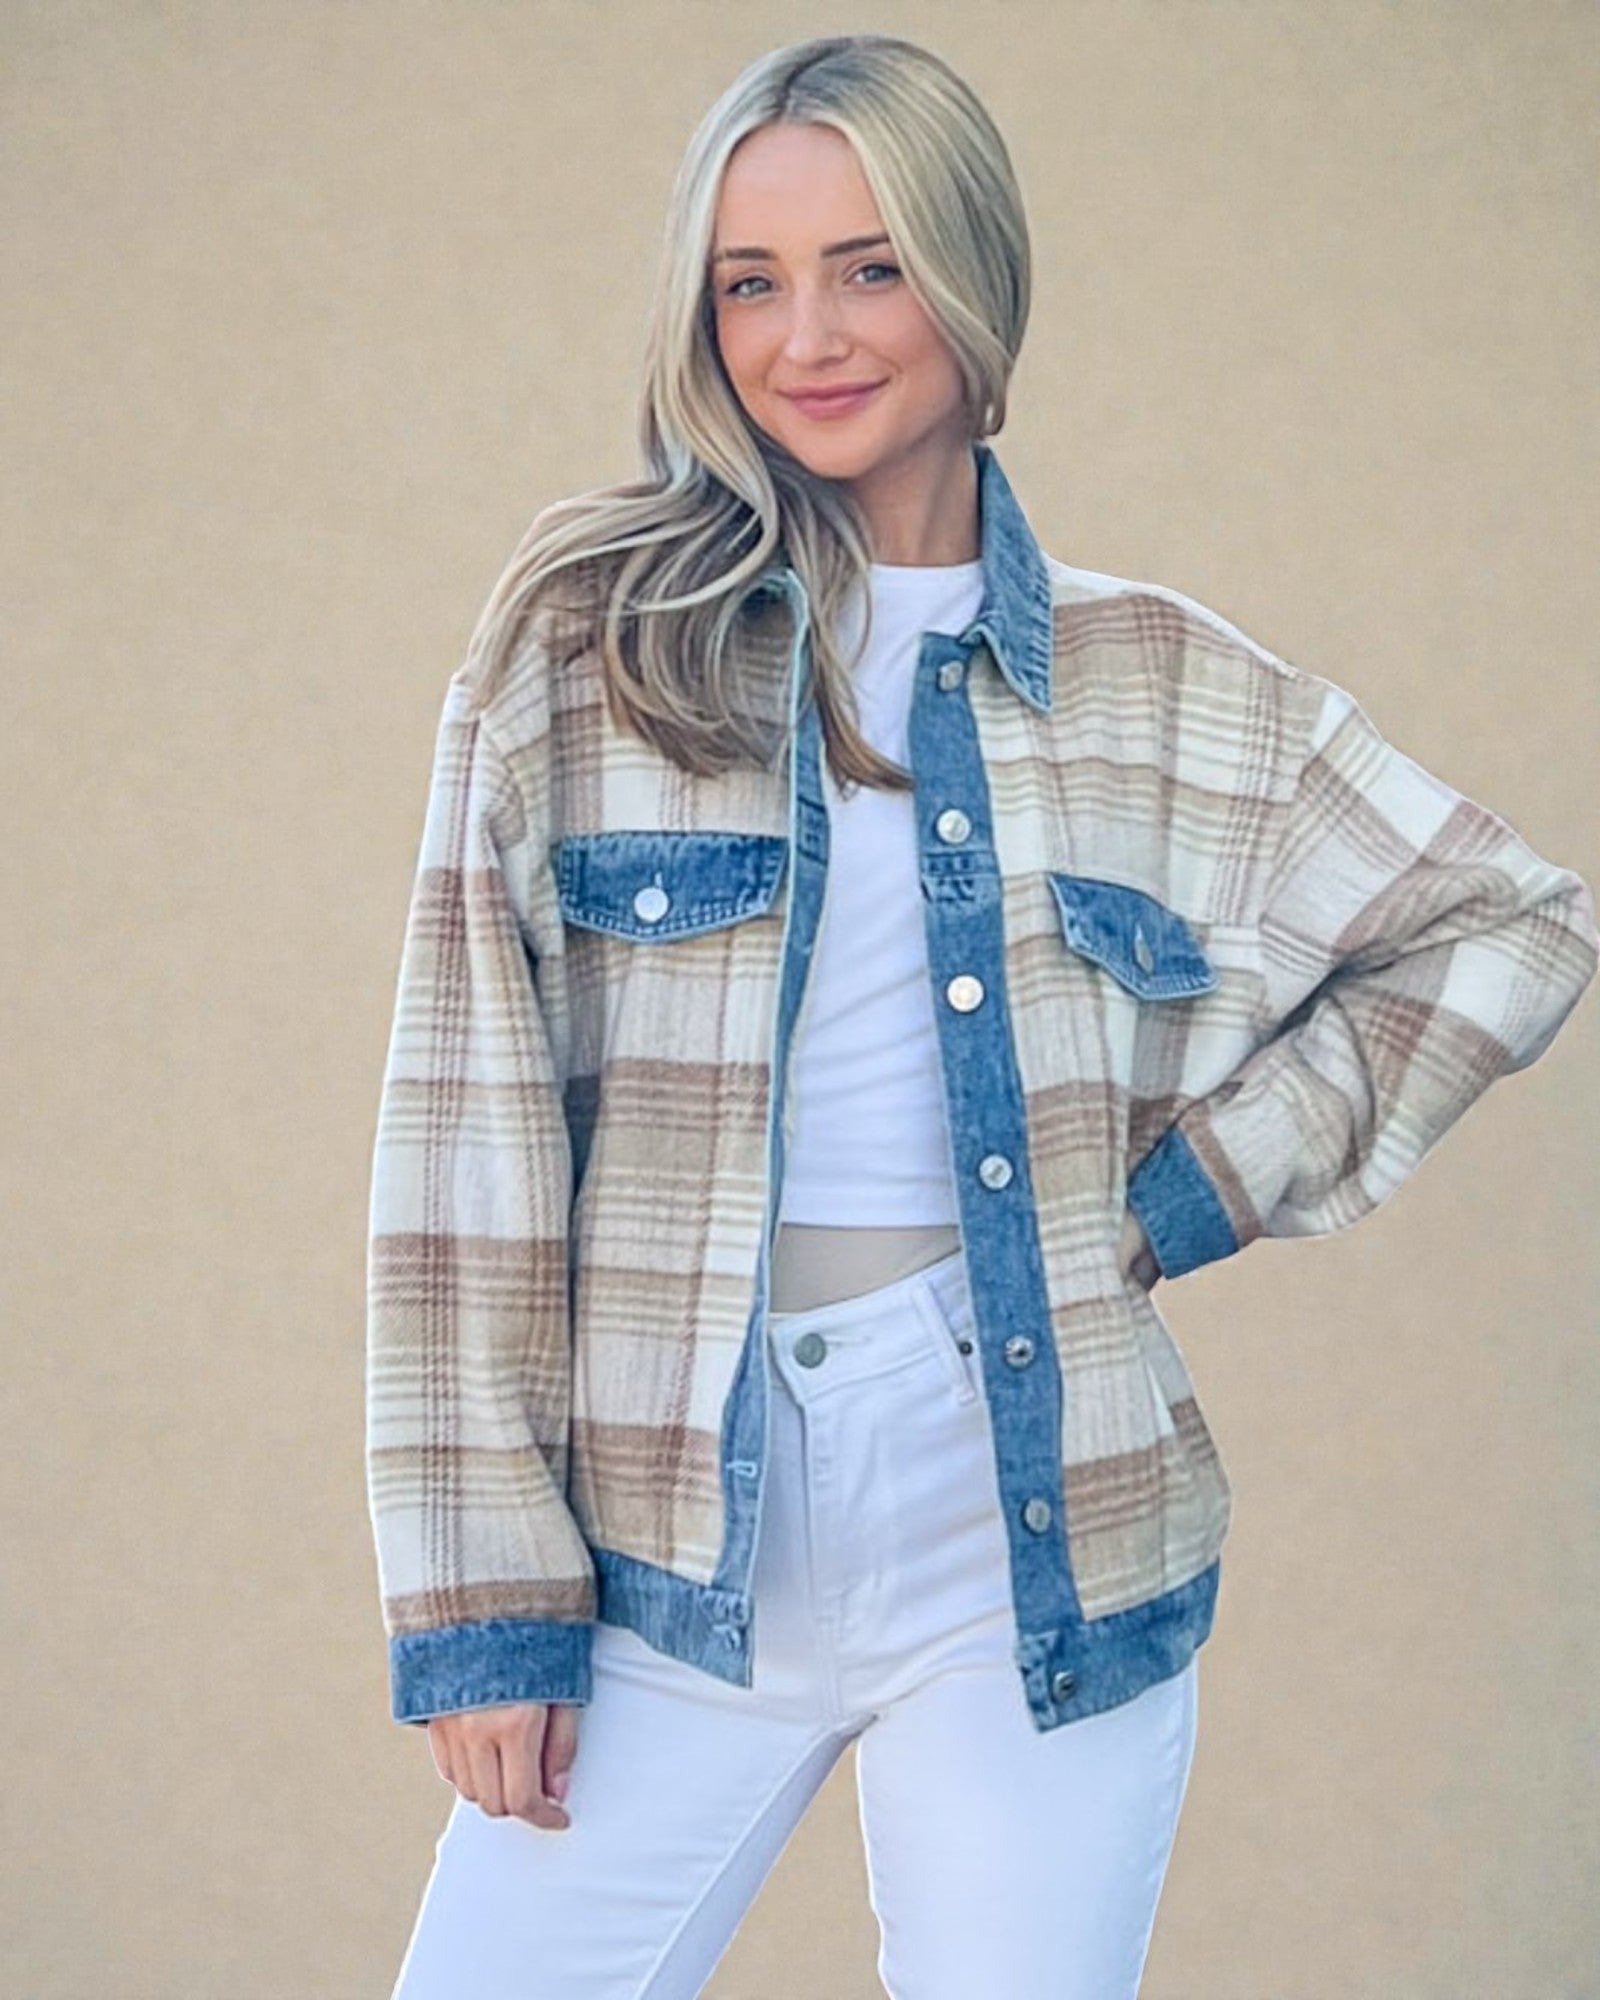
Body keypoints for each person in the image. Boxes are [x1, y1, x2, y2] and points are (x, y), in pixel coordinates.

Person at [363, 33, 1598, 2000]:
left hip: (1033, 1516)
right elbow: (461, 1125)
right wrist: (487, 1595)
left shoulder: (1163, 686)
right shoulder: (582, 642)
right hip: (674, 1532)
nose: (806, 335)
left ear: (967, 275)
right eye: (747, 282)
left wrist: (1192, 1190)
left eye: (866, 264)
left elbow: (1509, 922)